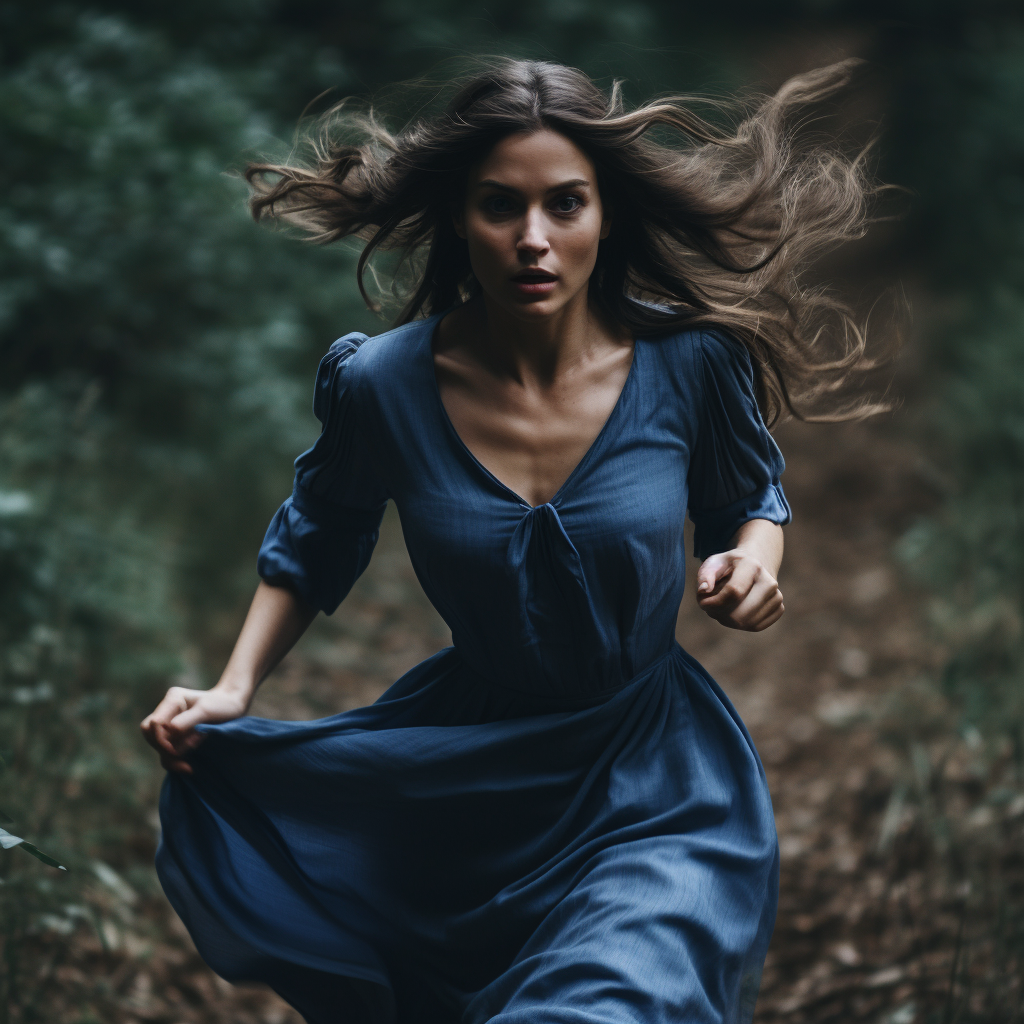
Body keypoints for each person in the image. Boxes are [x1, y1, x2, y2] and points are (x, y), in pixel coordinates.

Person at [142, 58, 884, 1024]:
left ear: (606, 214)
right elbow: (318, 535)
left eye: (565, 205)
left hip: (654, 779)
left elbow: (753, 496)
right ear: (459, 216)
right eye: (500, 206)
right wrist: (235, 690)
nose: (534, 239)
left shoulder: (691, 361)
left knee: (610, 1000)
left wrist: (754, 560)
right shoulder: (382, 385)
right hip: (467, 784)